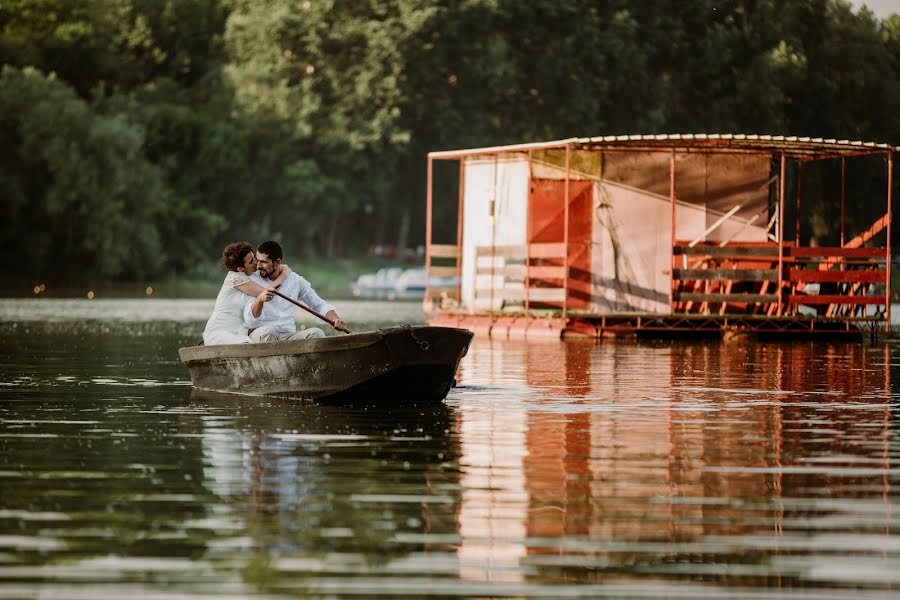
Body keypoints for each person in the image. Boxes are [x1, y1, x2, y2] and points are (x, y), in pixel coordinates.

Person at [243, 240, 347, 341]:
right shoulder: (251, 279)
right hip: (260, 333)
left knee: (317, 333)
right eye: (258, 260)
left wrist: (335, 319)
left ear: (277, 262)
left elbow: (319, 305)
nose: (258, 266)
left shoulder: (295, 280)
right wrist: (260, 300)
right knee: (271, 331)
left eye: (264, 262)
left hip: (288, 336)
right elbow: (249, 319)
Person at [202, 241, 290, 346]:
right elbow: (268, 292)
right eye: (251, 261)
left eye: (254, 258)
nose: (256, 262)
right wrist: (284, 274)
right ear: (240, 269)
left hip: (238, 333)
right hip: (218, 333)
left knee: (259, 338)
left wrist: (277, 268)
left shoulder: (247, 276)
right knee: (247, 345)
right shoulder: (235, 278)